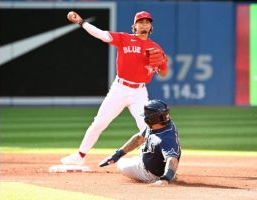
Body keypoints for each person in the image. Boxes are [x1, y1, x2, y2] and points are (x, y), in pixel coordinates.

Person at [61, 11, 168, 165]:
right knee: (99, 122)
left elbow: (163, 73)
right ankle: (79, 156)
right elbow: (101, 34)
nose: (144, 24)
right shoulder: (124, 39)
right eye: (140, 22)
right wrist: (81, 22)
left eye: (147, 22)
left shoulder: (155, 47)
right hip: (120, 88)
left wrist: (162, 64)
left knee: (146, 126)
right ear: (135, 26)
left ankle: (151, 160)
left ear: (151, 26)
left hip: (139, 92)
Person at [99, 99, 181, 186]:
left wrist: (166, 179)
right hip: (158, 163)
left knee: (121, 163)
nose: (145, 118)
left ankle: (165, 175)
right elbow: (139, 138)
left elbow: (172, 159)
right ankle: (168, 172)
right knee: (142, 147)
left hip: (150, 173)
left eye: (147, 116)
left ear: (152, 118)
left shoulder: (165, 138)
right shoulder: (159, 125)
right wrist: (117, 154)